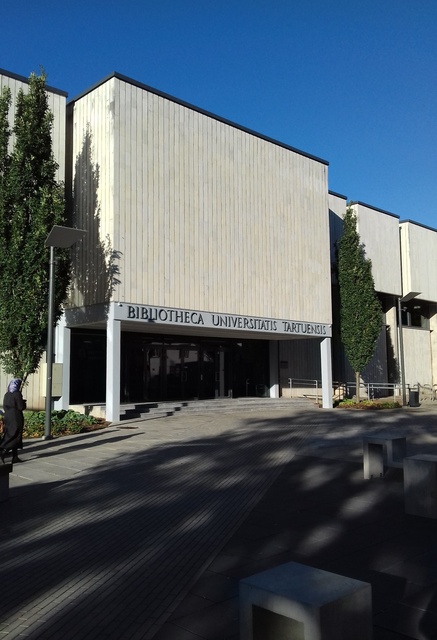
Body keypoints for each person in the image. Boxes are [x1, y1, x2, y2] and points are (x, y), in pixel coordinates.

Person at [0, 378, 26, 464]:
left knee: (10, 433)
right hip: (16, 417)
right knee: (15, 435)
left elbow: (4, 406)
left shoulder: (7, 394)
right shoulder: (17, 394)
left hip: (8, 416)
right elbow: (20, 407)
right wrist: (24, 402)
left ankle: (15, 457)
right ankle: (3, 452)